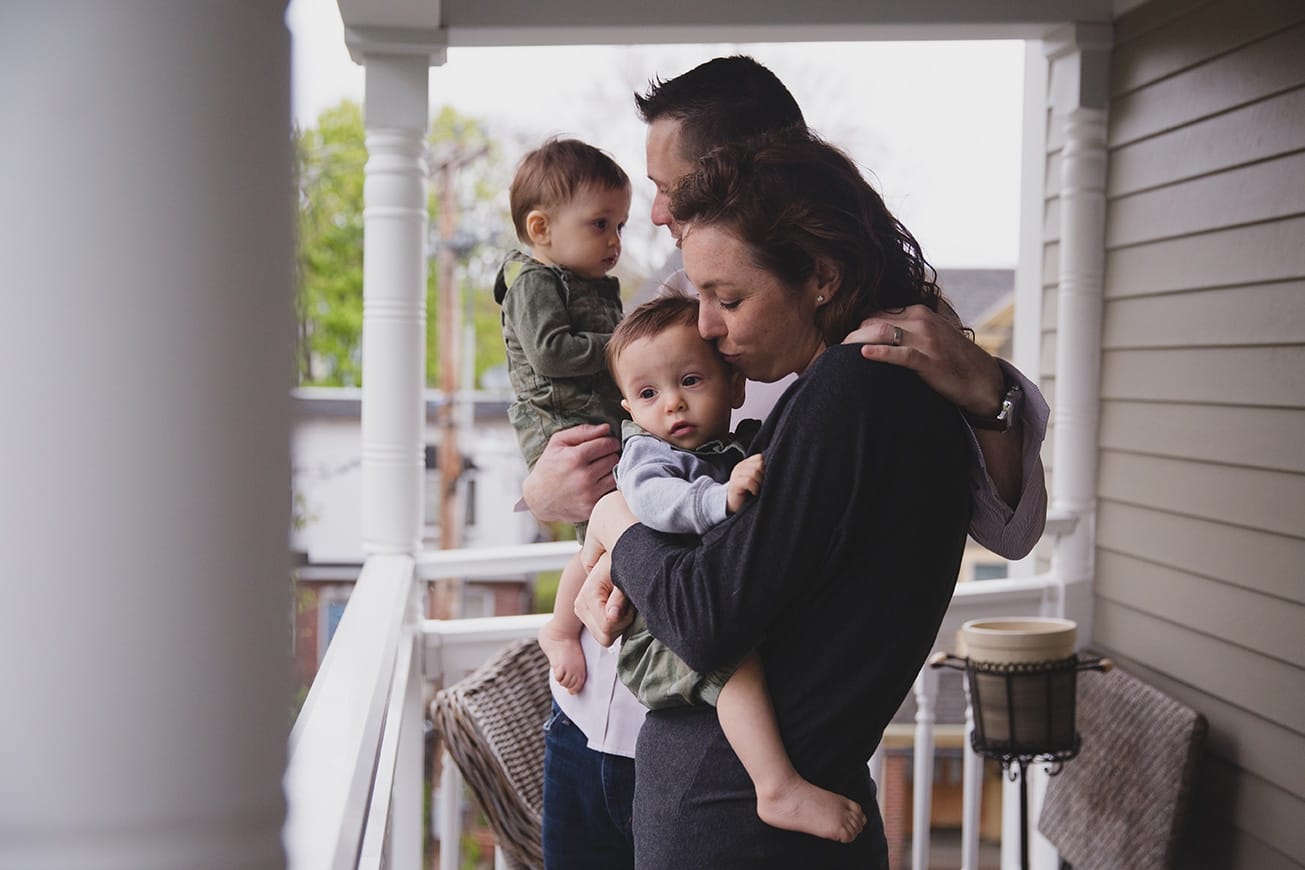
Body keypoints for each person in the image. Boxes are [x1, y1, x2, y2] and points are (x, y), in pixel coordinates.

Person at [533, 56, 1050, 869]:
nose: (706, 327)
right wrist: (586, 523)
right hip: (648, 742)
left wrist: (615, 523)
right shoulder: (754, 328)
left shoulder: (869, 370)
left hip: (735, 804)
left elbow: (710, 611)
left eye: (674, 184)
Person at [605, 292, 867, 843]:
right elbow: (652, 503)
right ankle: (777, 787)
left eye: (691, 381)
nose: (672, 404)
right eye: (648, 393)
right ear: (628, 408)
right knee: (733, 664)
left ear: (735, 385)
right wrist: (717, 500)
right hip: (659, 640)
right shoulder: (649, 457)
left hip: (687, 616)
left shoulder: (738, 446)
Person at [492, 137, 631, 693]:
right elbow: (550, 351)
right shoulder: (532, 282)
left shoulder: (586, 280)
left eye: (621, 226)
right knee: (607, 525)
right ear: (542, 228)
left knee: (614, 525)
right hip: (558, 422)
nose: (616, 241)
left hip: (592, 414)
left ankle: (583, 614)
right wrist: (620, 348)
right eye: (600, 224)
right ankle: (561, 625)